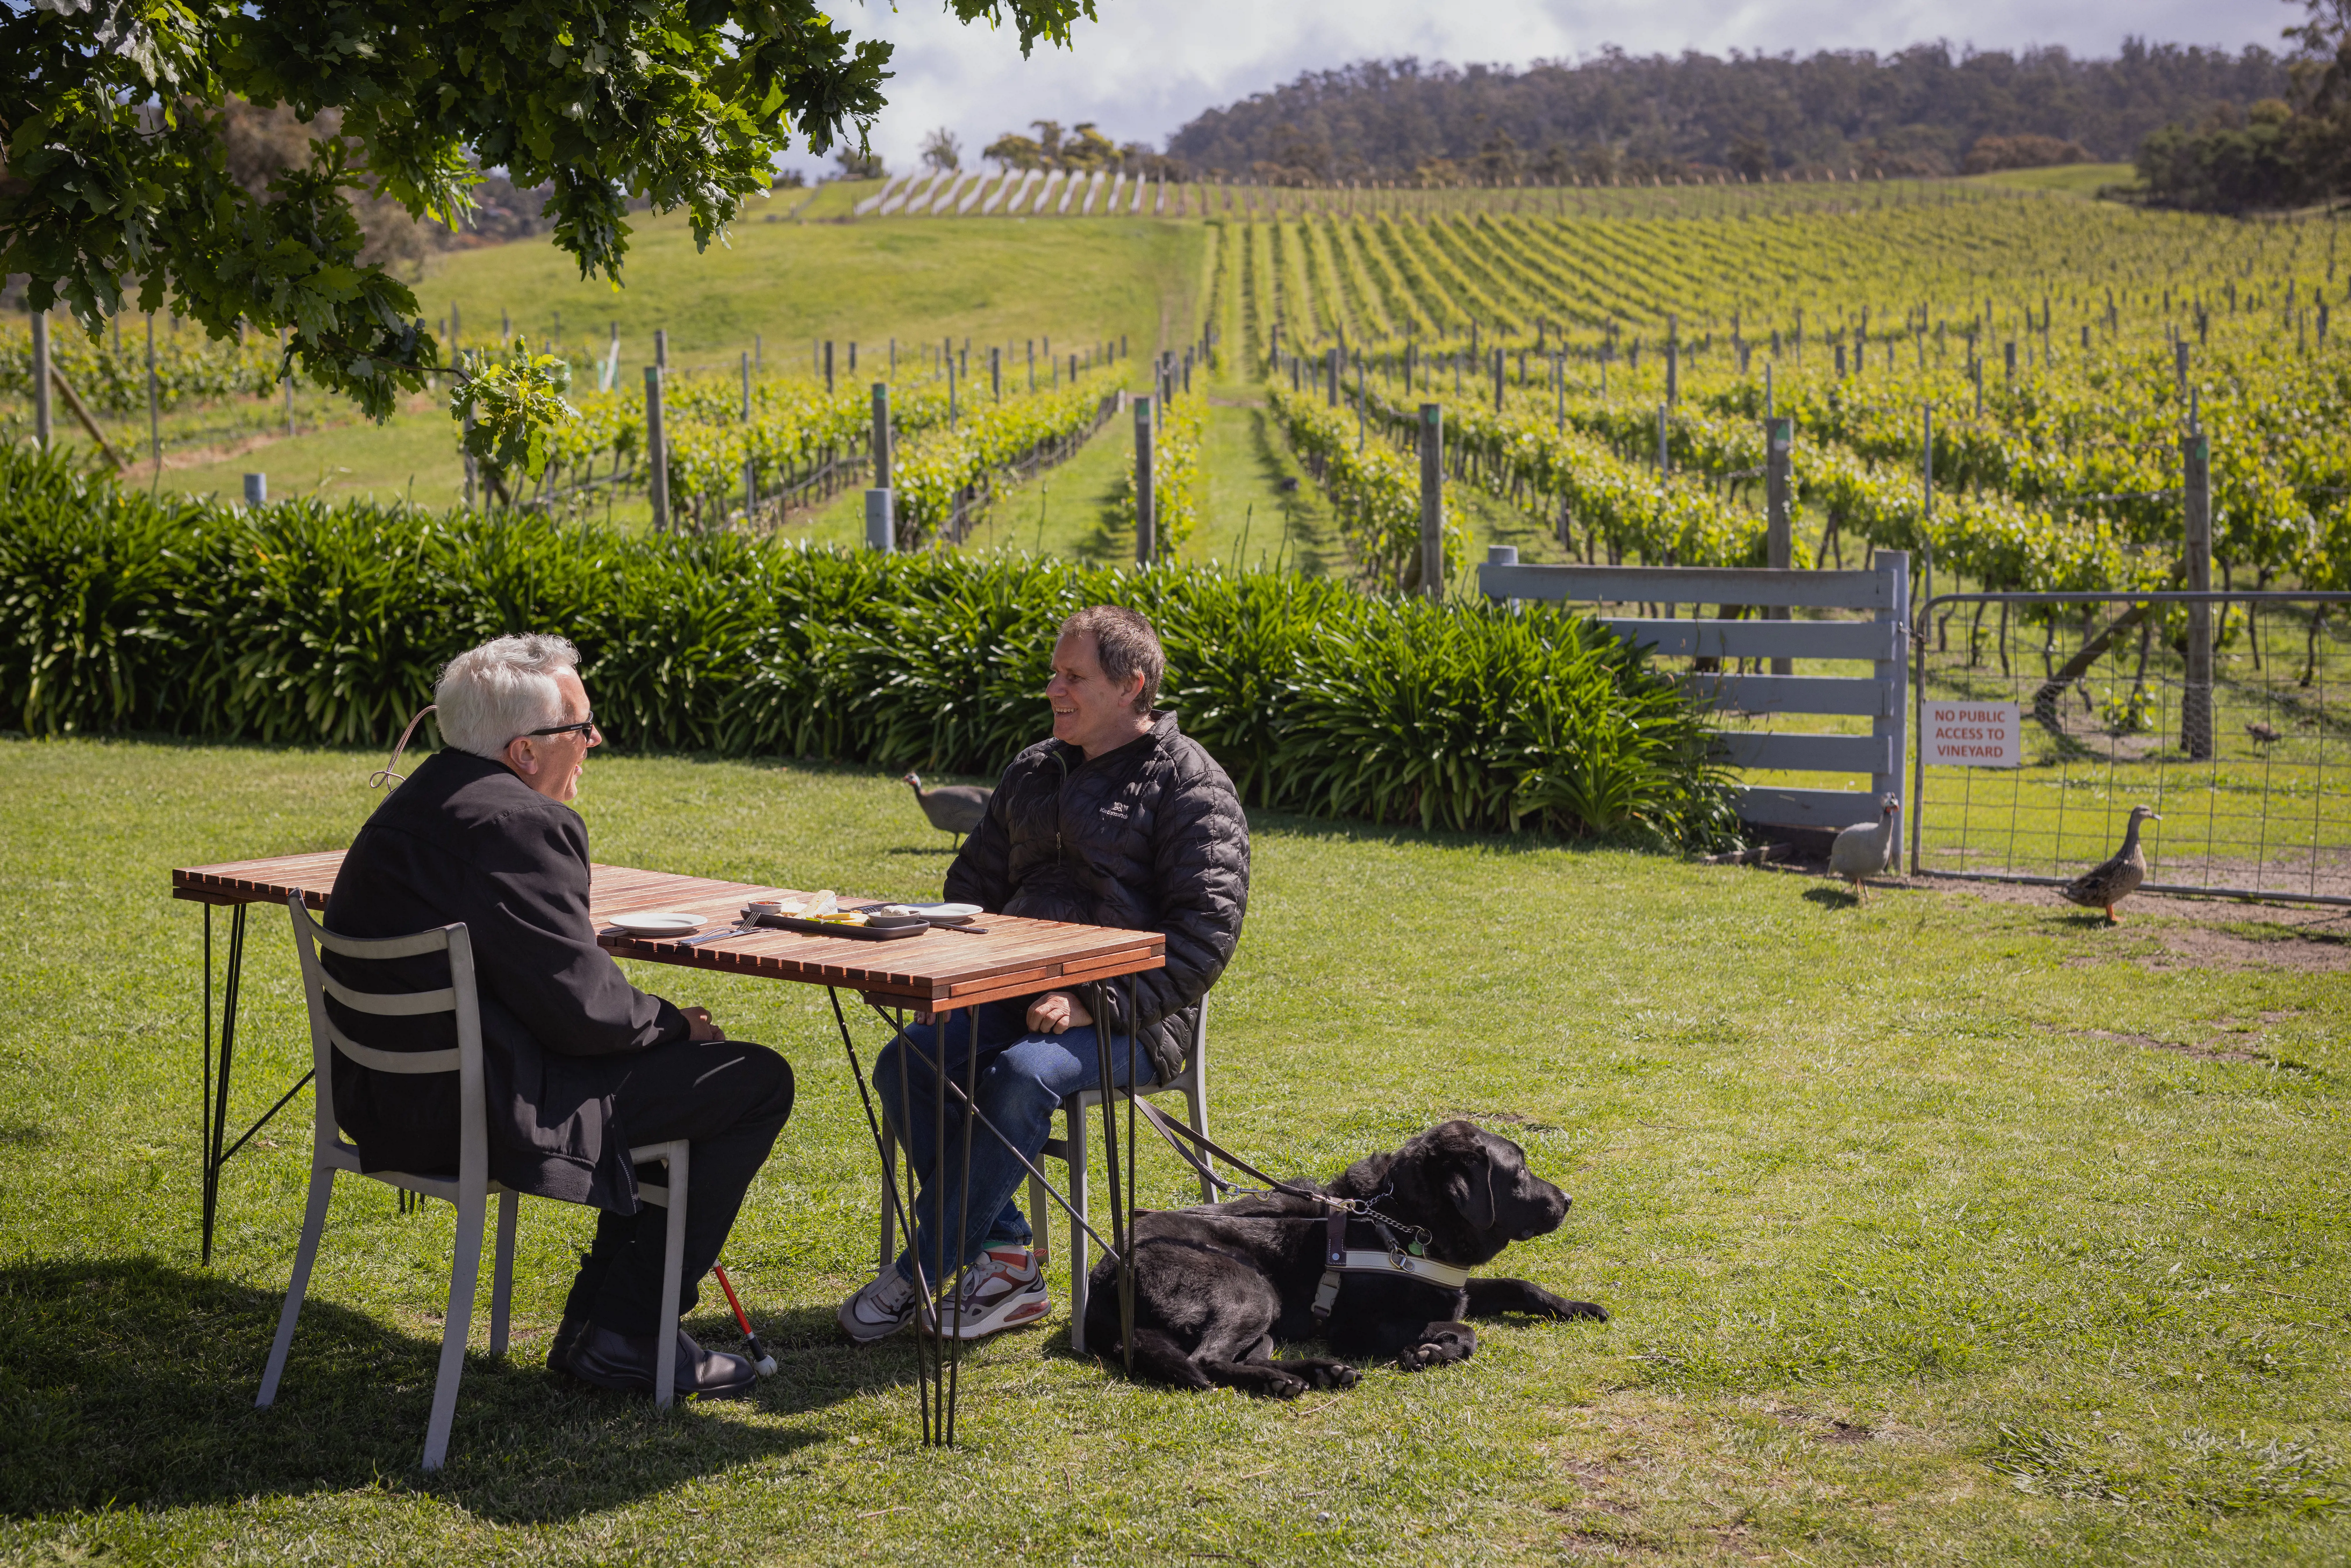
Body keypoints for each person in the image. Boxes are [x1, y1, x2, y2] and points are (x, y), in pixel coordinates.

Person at [323, 634, 794, 1399]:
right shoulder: (517, 822)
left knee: (668, 1083)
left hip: (386, 1098)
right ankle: (628, 1334)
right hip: (472, 1110)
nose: (594, 743)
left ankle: (604, 1328)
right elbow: (583, 1012)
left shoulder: (415, 801)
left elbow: (551, 986)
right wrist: (678, 1024)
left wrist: (645, 1024)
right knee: (751, 1080)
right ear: (524, 751)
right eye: (582, 728)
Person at [838, 606, 1250, 1343]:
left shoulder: (1191, 786)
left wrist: (1098, 1001)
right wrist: (936, 977)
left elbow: (1202, 939)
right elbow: (970, 894)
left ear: (1132, 686)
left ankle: (921, 1270)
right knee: (910, 1061)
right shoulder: (1032, 769)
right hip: (1012, 993)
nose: (1053, 688)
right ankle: (1007, 1262)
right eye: (1054, 673)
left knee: (1024, 1075)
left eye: (1073, 676)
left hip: (1138, 1020)